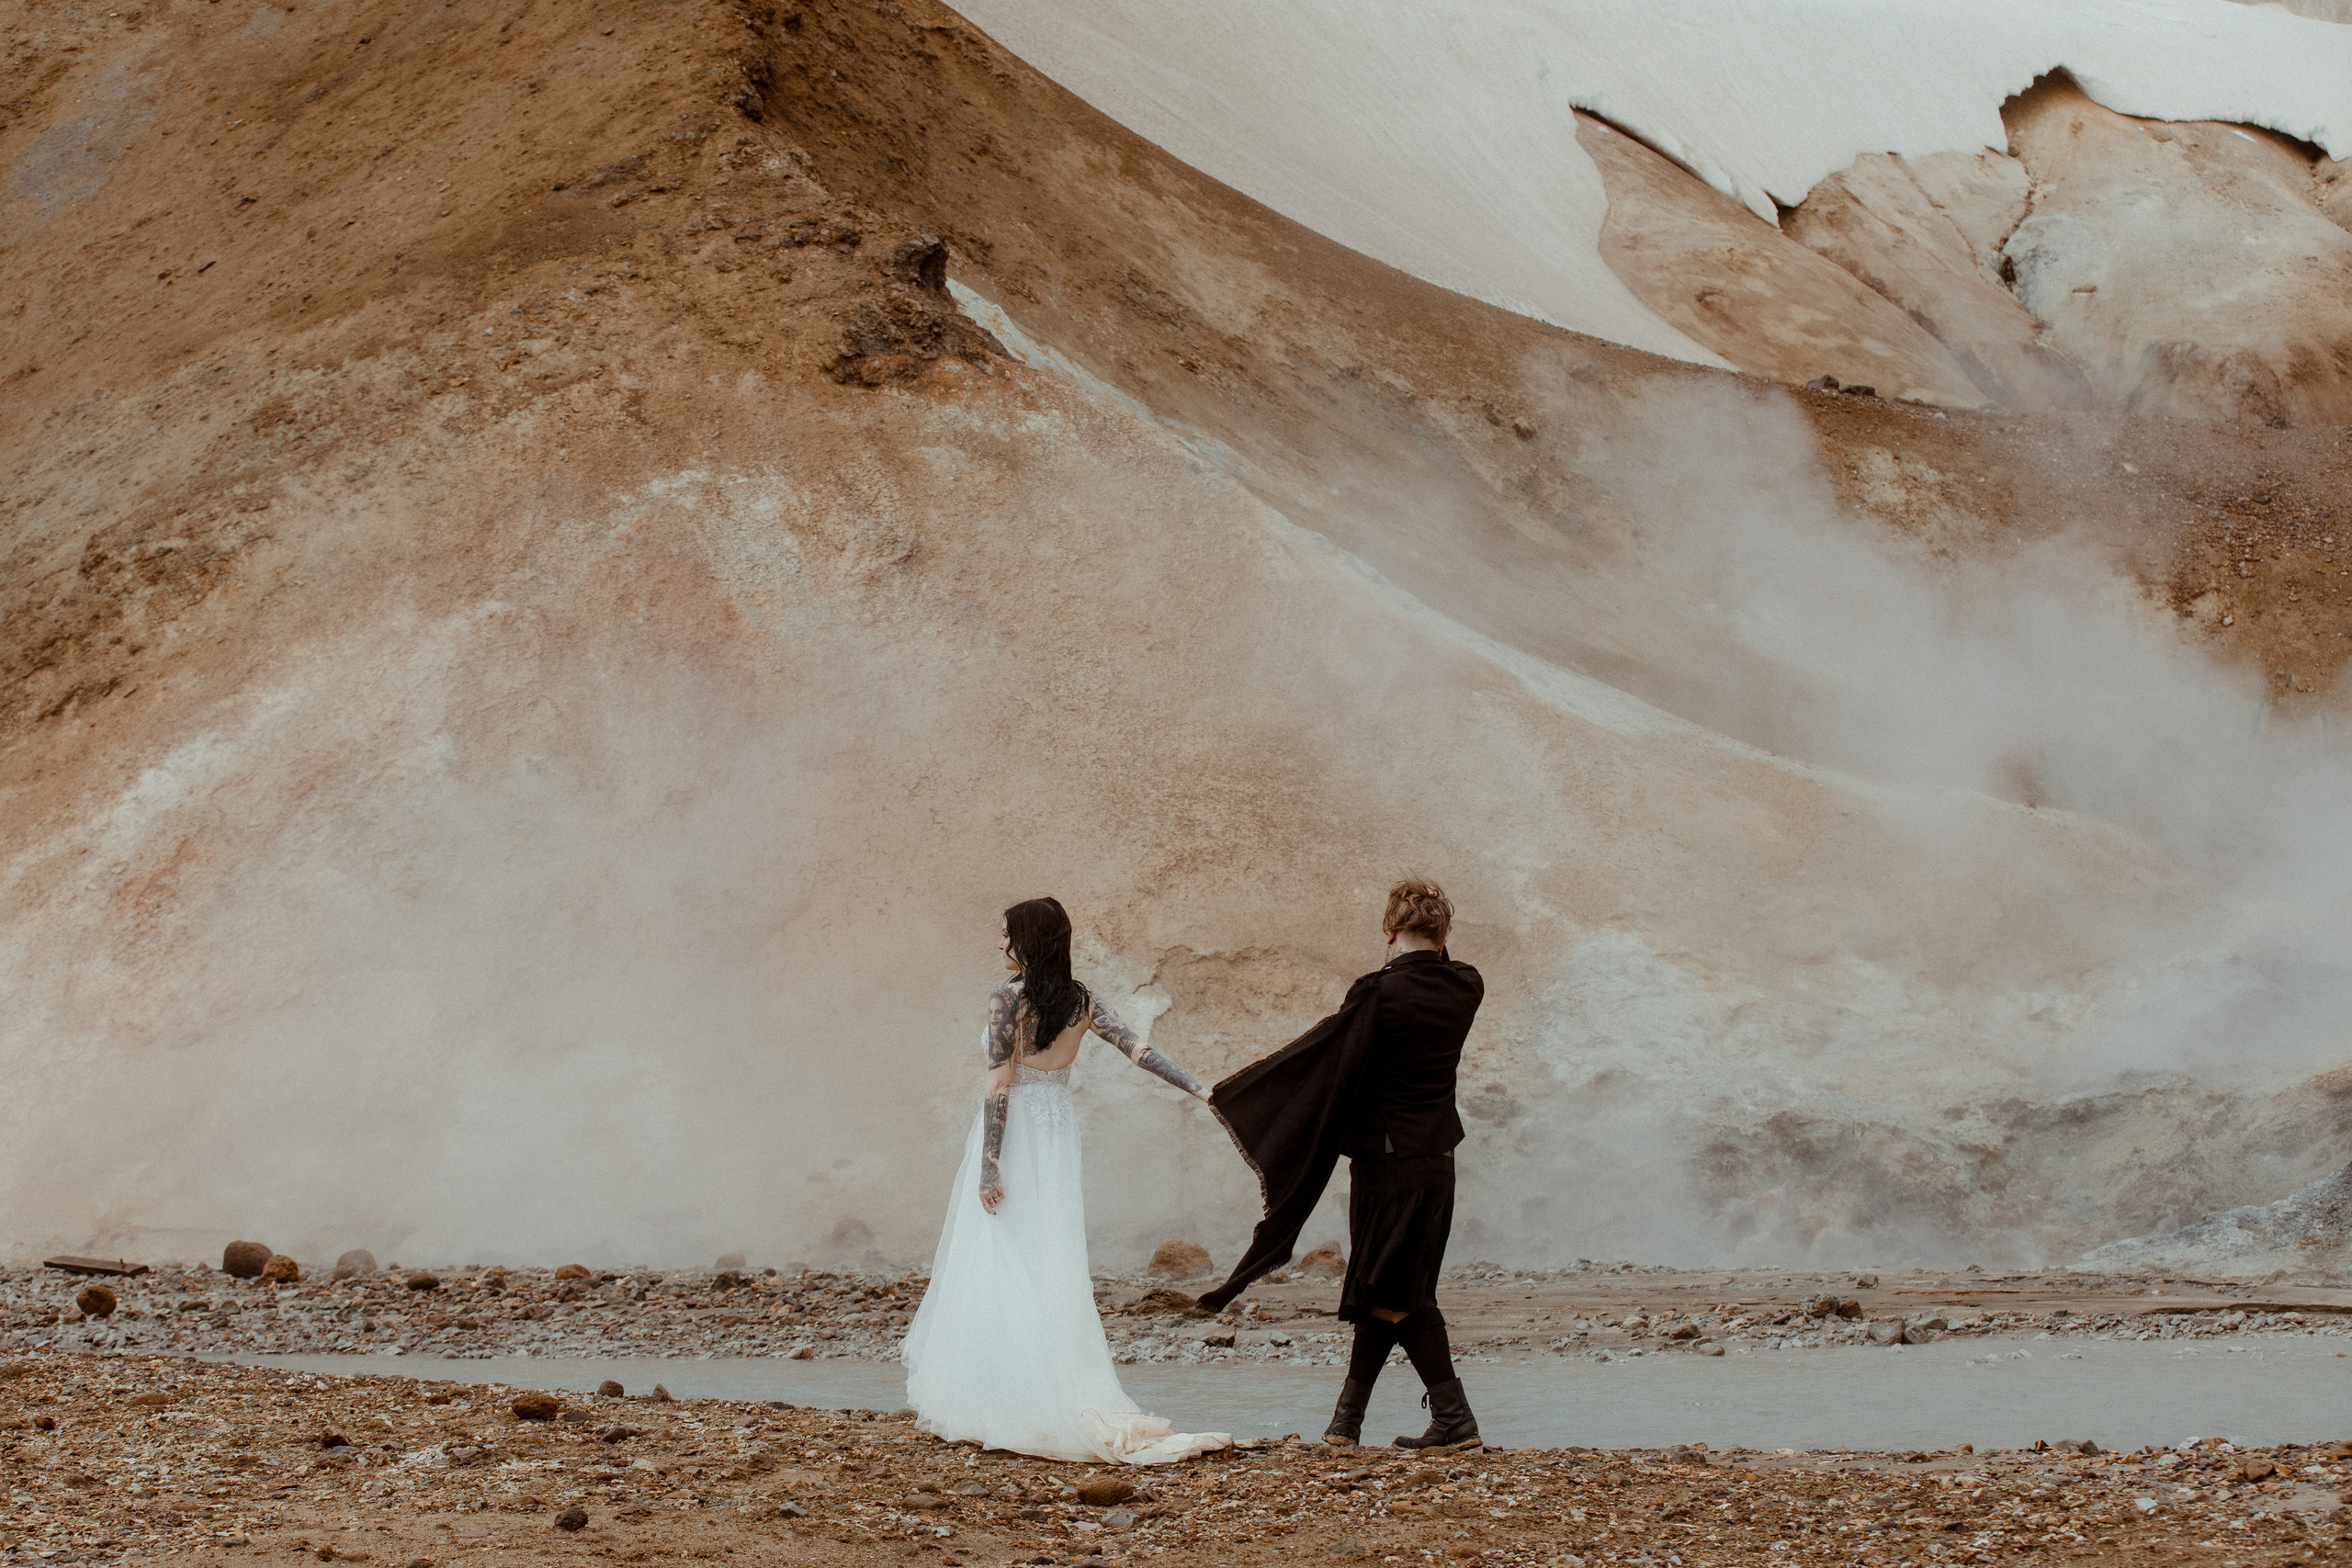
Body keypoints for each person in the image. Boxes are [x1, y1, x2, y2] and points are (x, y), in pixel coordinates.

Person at [902, 896, 1232, 1464]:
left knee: (1001, 1251)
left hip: (1015, 1135)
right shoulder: (1081, 1000)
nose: (1000, 944)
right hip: (1056, 1138)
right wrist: (1201, 1088)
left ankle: (1002, 1399)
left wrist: (988, 1162)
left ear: (1027, 941)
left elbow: (1000, 1084)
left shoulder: (1008, 997)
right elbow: (1140, 1050)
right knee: (1049, 1256)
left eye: (1007, 934)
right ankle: (1042, 1385)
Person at [1198, 878, 1485, 1450]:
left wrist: (1249, 1095)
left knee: (1397, 1294)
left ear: (1389, 932)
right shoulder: (1467, 986)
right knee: (1387, 1286)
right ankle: (1345, 1423)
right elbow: (1435, 971)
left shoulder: (1377, 992)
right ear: (1444, 935)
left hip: (1386, 1165)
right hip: (1438, 1161)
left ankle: (1454, 1419)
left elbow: (1327, 1059)